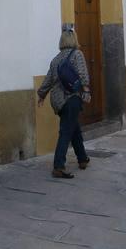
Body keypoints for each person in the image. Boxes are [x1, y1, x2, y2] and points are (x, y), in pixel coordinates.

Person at [36, 25, 91, 179]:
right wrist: (86, 92)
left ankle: (82, 159)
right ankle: (58, 166)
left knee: (74, 128)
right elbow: (83, 76)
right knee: (66, 130)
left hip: (57, 100)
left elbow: (47, 81)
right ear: (74, 40)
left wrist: (41, 95)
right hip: (71, 97)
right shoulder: (77, 54)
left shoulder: (56, 59)